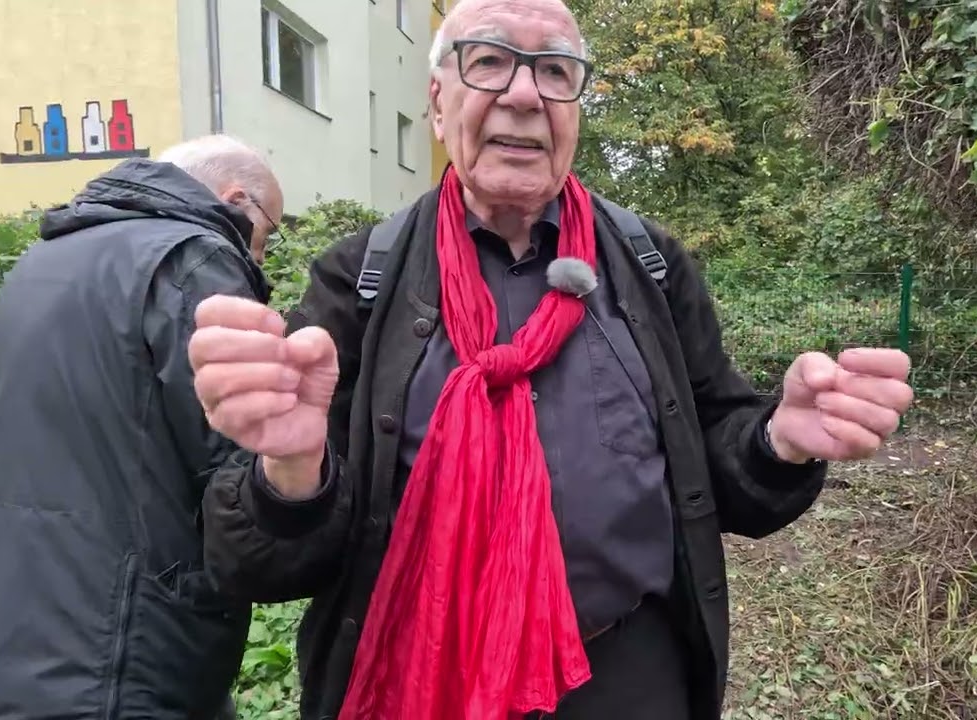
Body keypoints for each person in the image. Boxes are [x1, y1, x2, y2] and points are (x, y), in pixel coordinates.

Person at [188, 0, 913, 718]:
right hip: (424, 672)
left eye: (556, 69)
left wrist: (778, 442)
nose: (526, 94)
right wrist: (289, 474)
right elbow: (263, 563)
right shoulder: (359, 278)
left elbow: (720, 467)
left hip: (625, 675)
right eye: (491, 61)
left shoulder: (648, 264)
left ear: (574, 108)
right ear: (439, 101)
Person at [0, 135, 284, 720]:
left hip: (4, 638)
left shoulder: (40, 262)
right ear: (238, 202)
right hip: (126, 650)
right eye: (267, 237)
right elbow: (238, 472)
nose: (260, 258)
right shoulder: (194, 261)